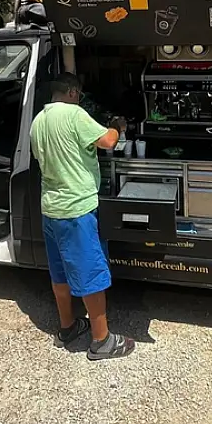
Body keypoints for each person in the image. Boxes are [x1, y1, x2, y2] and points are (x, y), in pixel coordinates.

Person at [29, 72, 135, 360]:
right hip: (77, 210)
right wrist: (116, 126)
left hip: (51, 209)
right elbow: (107, 142)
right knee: (90, 274)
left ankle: (68, 327)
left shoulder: (37, 122)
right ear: (73, 91)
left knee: (60, 272)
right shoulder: (75, 115)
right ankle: (101, 340)